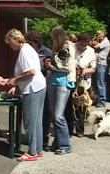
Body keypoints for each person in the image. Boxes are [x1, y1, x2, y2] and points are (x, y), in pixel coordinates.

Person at [2, 29, 46, 161]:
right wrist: (13, 81)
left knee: (30, 121)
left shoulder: (24, 51)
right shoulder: (29, 48)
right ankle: (37, 149)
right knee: (37, 120)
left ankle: (32, 152)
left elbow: (31, 72)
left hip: (32, 87)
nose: (10, 46)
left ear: (16, 40)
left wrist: (15, 80)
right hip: (39, 85)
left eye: (10, 43)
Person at [45, 24, 76, 155]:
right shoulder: (56, 47)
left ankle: (65, 145)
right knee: (54, 115)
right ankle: (58, 142)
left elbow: (66, 68)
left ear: (57, 35)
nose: (50, 37)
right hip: (52, 82)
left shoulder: (67, 47)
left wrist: (51, 66)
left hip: (63, 83)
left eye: (52, 35)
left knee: (58, 115)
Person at [24, 31, 53, 151]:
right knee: (37, 117)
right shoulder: (29, 50)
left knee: (43, 115)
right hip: (37, 82)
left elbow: (52, 69)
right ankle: (38, 146)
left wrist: (48, 67)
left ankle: (41, 144)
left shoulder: (46, 51)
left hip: (41, 82)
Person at [73, 32, 96, 138]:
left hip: (83, 83)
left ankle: (79, 129)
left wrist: (85, 71)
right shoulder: (72, 48)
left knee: (81, 105)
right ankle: (68, 128)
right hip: (72, 79)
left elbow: (93, 68)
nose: (82, 46)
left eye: (84, 45)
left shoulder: (91, 51)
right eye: (80, 44)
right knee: (71, 105)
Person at [92, 30, 110, 108]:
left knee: (100, 83)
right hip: (96, 63)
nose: (97, 36)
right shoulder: (101, 41)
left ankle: (102, 101)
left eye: (98, 35)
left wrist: (94, 42)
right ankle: (97, 99)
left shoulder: (105, 41)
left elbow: (96, 46)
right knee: (94, 83)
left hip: (101, 64)